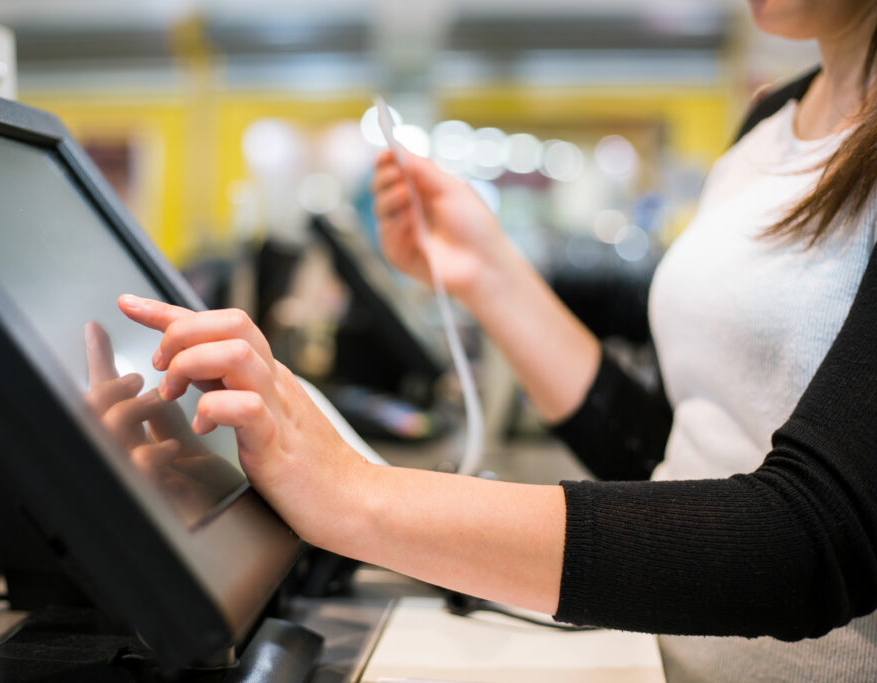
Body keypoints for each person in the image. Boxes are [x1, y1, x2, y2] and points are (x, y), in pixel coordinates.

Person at [117, 0, 877, 680]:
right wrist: (485, 271)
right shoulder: (770, 123)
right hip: (661, 656)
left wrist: (357, 495)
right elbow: (684, 460)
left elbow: (810, 540)